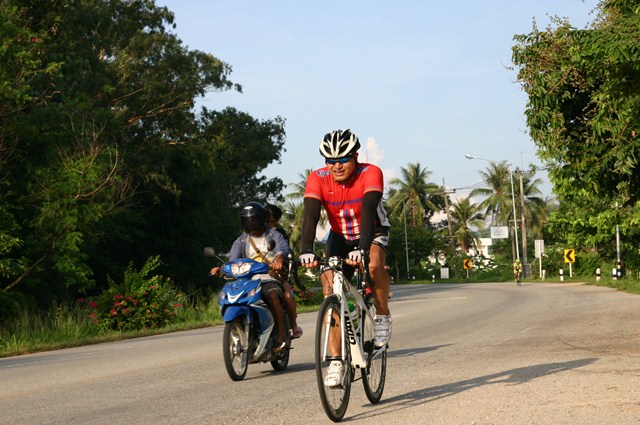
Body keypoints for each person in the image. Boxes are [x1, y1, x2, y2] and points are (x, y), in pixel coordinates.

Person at [299, 129, 392, 386]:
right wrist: (306, 249)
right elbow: (310, 215)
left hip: (372, 230)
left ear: (355, 157)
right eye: (330, 161)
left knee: (373, 265)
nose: (336, 166)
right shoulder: (317, 178)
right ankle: (336, 361)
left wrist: (362, 248)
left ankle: (382, 315)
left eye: (343, 160)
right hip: (340, 236)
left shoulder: (370, 173)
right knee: (330, 289)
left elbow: (368, 210)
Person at [210, 201, 290, 350]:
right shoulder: (242, 240)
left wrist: (279, 259)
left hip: (269, 277)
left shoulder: (273, 234)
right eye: (247, 220)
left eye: (254, 219)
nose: (251, 224)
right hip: (247, 280)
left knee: (272, 295)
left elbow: (281, 249)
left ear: (262, 219)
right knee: (234, 297)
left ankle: (280, 336)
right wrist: (221, 269)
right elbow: (232, 260)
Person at [264, 203, 303, 339]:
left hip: (277, 273)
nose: (271, 224)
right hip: (255, 274)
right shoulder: (250, 234)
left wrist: (280, 261)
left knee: (287, 294)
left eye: (273, 221)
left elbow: (284, 250)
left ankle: (293, 325)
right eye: (268, 221)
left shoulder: (278, 234)